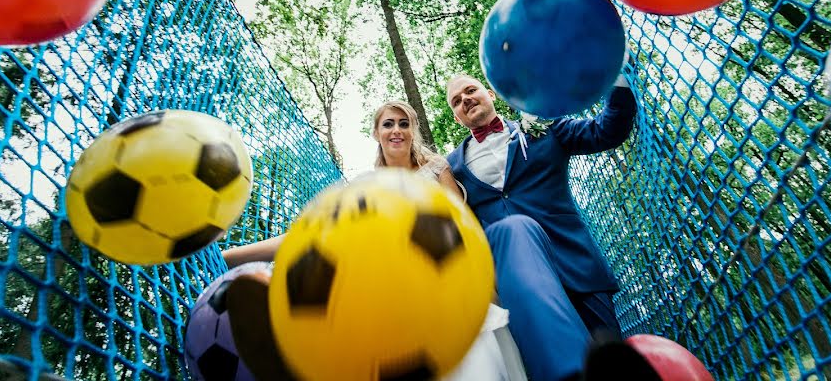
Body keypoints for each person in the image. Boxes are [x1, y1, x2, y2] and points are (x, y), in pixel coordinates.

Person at [221, 101, 527, 381]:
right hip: (390, 297)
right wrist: (229, 255)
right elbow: (312, 235)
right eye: (388, 124)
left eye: (404, 123)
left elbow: (463, 229)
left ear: (413, 131)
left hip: (450, 287)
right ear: (376, 133)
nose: (397, 130)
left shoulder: (436, 169)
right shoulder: (365, 186)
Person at [445, 72, 637, 381]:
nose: (465, 100)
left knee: (611, 366)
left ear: (491, 94)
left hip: (576, 268)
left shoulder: (543, 127)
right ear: (455, 116)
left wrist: (617, 77)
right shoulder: (451, 169)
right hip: (519, 288)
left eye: (470, 91)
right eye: (456, 101)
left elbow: (608, 131)